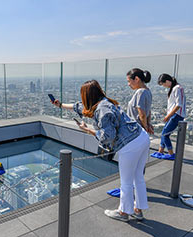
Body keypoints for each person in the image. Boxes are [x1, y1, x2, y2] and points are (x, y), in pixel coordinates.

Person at [53, 80, 150, 222]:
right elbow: (78, 107)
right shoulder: (103, 101)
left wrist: (88, 130)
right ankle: (137, 210)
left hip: (130, 145)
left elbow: (107, 137)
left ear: (87, 95)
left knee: (126, 182)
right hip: (142, 137)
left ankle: (123, 213)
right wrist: (60, 105)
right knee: (138, 178)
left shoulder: (101, 110)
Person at [151, 74, 186, 160]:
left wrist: (168, 116)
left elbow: (179, 105)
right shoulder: (174, 88)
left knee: (165, 134)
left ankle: (171, 154)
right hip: (174, 115)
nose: (163, 86)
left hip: (177, 115)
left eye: (163, 84)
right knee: (164, 133)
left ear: (167, 81)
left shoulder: (177, 88)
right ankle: (160, 151)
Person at [126, 68, 154, 134]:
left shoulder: (140, 92)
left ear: (136, 79)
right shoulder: (148, 91)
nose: (128, 84)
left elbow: (142, 114)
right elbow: (148, 111)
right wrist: (148, 124)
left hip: (135, 129)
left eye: (129, 81)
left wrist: (145, 128)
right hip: (139, 128)